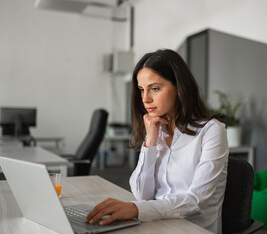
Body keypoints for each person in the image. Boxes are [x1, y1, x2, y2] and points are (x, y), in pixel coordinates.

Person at [85, 49, 229, 234]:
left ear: (179, 88)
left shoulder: (211, 130)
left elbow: (196, 200)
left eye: (155, 88)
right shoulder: (157, 128)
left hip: (192, 229)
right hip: (155, 224)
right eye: (141, 90)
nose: (145, 99)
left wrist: (137, 209)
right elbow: (141, 194)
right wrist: (150, 141)